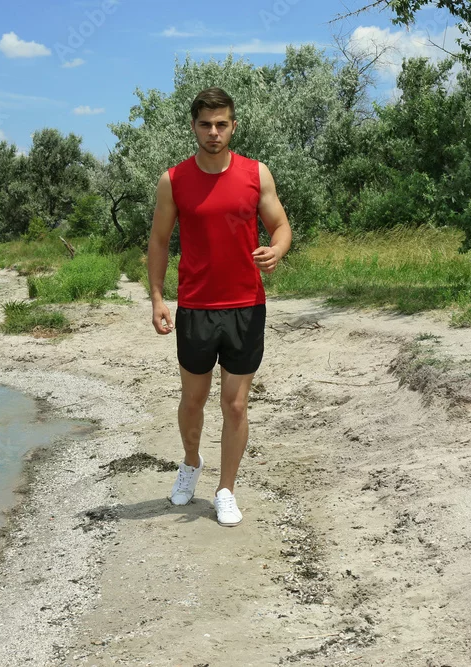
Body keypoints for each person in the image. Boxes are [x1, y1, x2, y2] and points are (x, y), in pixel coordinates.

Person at [146, 86, 292, 527]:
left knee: (235, 405)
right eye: (206, 124)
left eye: (221, 124)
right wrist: (157, 297)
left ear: (233, 126)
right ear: (194, 127)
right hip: (196, 306)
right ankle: (191, 462)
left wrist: (277, 250)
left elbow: (281, 226)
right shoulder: (174, 180)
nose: (214, 132)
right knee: (193, 401)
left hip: (246, 306)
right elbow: (159, 241)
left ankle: (226, 490)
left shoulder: (256, 174)